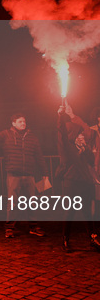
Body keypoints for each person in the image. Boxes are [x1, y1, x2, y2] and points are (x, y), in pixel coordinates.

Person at [0, 113, 48, 238]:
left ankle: (33, 227)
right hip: (13, 175)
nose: (23, 123)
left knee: (32, 202)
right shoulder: (6, 134)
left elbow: (39, 156)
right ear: (13, 123)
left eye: (24, 121)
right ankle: (9, 228)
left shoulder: (32, 138)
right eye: (19, 121)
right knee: (12, 203)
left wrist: (45, 173)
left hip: (29, 175)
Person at [57, 103, 100, 252]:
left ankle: (93, 238)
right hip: (72, 182)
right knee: (69, 211)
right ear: (74, 138)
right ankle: (65, 239)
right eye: (79, 135)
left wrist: (85, 149)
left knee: (88, 212)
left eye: (82, 135)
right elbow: (61, 132)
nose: (82, 137)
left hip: (86, 183)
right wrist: (60, 116)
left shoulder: (86, 150)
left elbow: (89, 159)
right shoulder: (68, 149)